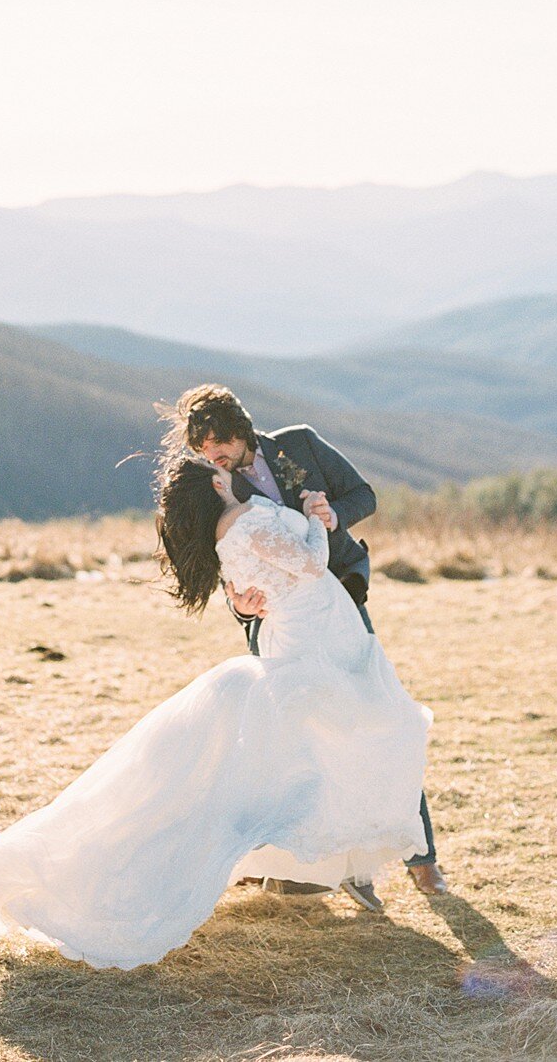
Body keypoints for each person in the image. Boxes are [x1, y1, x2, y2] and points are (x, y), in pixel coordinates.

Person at [0, 455, 431, 971]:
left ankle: (332, 867)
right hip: (309, 639)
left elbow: (271, 579)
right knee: (352, 738)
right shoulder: (241, 522)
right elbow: (312, 565)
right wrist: (316, 519)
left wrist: (260, 589)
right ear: (214, 482)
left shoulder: (236, 524)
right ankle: (316, 865)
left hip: (319, 632)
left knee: (329, 748)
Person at [165, 383, 447, 908]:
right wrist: (242, 606)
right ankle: (305, 864)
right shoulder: (217, 487)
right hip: (278, 623)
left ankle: (421, 860)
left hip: (338, 603)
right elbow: (227, 559)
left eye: (218, 441)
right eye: (201, 447)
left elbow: (364, 494)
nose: (212, 454)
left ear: (241, 428)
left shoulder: (301, 444)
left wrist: (332, 517)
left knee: (376, 716)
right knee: (291, 744)